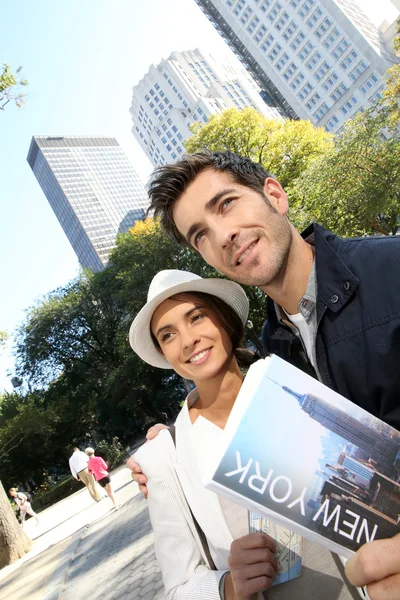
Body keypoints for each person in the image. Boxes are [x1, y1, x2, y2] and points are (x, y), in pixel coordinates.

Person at [130, 150, 400, 599]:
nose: (224, 235)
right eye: (200, 235)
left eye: (227, 203)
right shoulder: (278, 356)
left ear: (275, 194)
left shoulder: (391, 272)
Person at [129, 268, 357, 600]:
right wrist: (229, 587)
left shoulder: (297, 383)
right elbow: (177, 588)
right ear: (165, 355)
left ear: (224, 321)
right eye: (168, 335)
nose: (188, 340)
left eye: (196, 317)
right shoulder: (164, 458)